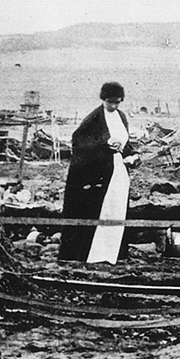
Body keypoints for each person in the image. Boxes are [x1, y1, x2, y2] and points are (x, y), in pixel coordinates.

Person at [60, 80, 137, 263]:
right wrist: (104, 146)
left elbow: (126, 143)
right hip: (99, 174)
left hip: (118, 173)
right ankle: (93, 255)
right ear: (103, 99)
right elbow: (79, 142)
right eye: (109, 101)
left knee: (116, 211)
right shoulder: (94, 118)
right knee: (99, 211)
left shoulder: (121, 117)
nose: (113, 105)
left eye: (117, 102)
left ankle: (115, 253)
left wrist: (132, 154)